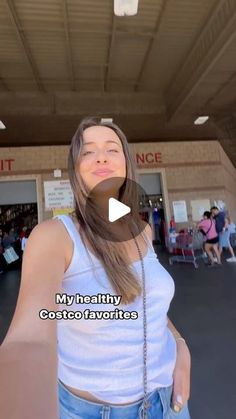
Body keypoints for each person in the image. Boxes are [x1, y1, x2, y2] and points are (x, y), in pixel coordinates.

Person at [1, 118, 191, 419]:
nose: (101, 156)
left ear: (127, 164)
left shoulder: (141, 230)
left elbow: (148, 304)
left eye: (112, 149)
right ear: (75, 170)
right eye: (88, 152)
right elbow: (29, 338)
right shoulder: (55, 236)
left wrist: (181, 346)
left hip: (169, 402)